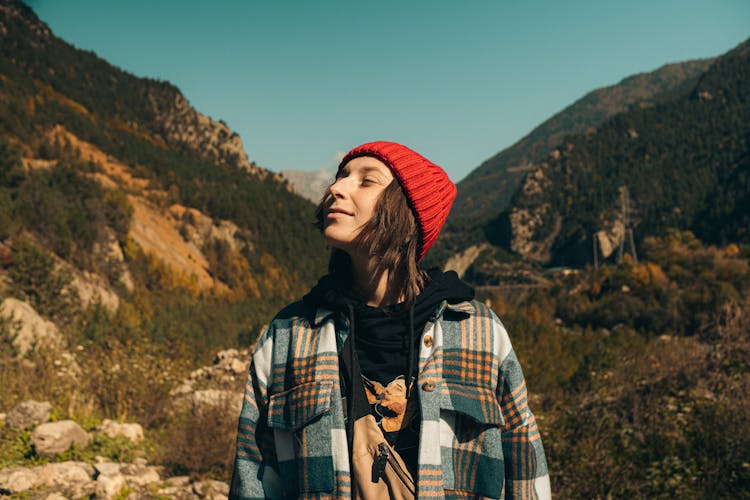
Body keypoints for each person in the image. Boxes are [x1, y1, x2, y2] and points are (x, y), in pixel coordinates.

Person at [230, 141, 550, 499]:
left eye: (366, 181)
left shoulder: (479, 331)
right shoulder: (289, 334)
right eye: (341, 177)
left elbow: (525, 468)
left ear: (406, 211)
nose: (336, 188)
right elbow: (252, 474)